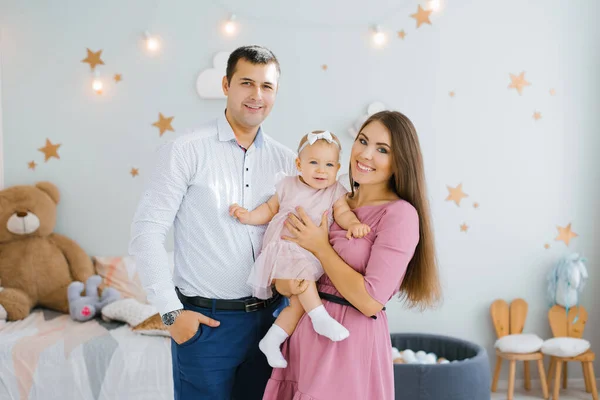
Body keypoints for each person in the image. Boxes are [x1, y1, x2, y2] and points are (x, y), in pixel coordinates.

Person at [128, 45, 298, 400]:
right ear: (226, 85)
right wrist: (171, 314)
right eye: (246, 83)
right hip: (208, 325)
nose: (256, 95)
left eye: (267, 86)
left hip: (272, 321)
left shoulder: (289, 161)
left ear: (276, 93)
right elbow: (147, 232)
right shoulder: (186, 149)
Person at [262, 110, 442, 400]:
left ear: (399, 163)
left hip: (348, 342)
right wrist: (284, 282)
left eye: (382, 150)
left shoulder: (399, 215)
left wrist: (320, 245)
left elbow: (370, 301)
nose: (366, 154)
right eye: (363, 140)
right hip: (304, 331)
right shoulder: (334, 197)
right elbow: (289, 268)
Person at [229, 130, 371, 369]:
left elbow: (343, 213)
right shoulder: (287, 185)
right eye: (313, 163)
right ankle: (320, 318)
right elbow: (269, 209)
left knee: (298, 302)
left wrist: (354, 224)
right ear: (299, 164)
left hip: (309, 251)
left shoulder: (335, 191)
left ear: (337, 169)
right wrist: (249, 216)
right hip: (284, 247)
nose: (320, 170)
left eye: (328, 165)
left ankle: (272, 340)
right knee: (303, 286)